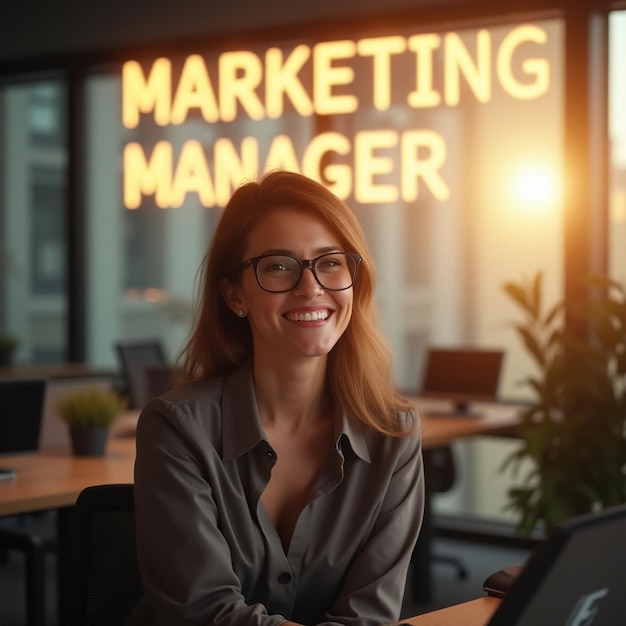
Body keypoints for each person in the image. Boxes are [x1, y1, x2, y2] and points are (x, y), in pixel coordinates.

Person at [128, 170, 425, 626]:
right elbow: (205, 614)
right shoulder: (177, 429)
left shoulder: (394, 436)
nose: (311, 288)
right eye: (279, 266)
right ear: (234, 296)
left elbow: (369, 616)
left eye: (330, 262)